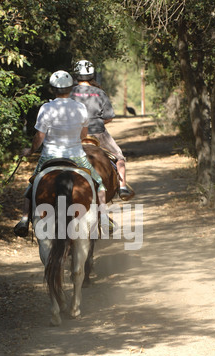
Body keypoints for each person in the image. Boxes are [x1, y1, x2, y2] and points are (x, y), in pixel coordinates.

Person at [14, 70, 109, 238]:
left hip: (49, 156)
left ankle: (24, 219)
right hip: (76, 156)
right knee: (99, 184)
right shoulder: (80, 107)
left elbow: (39, 136)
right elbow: (83, 135)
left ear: (53, 90)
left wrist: (30, 151)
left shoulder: (46, 108)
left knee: (31, 186)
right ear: (71, 89)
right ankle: (105, 219)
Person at [71, 60, 133, 201]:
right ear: (91, 74)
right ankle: (122, 187)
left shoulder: (70, 92)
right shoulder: (99, 93)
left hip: (74, 135)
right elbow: (109, 117)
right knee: (119, 156)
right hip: (98, 133)